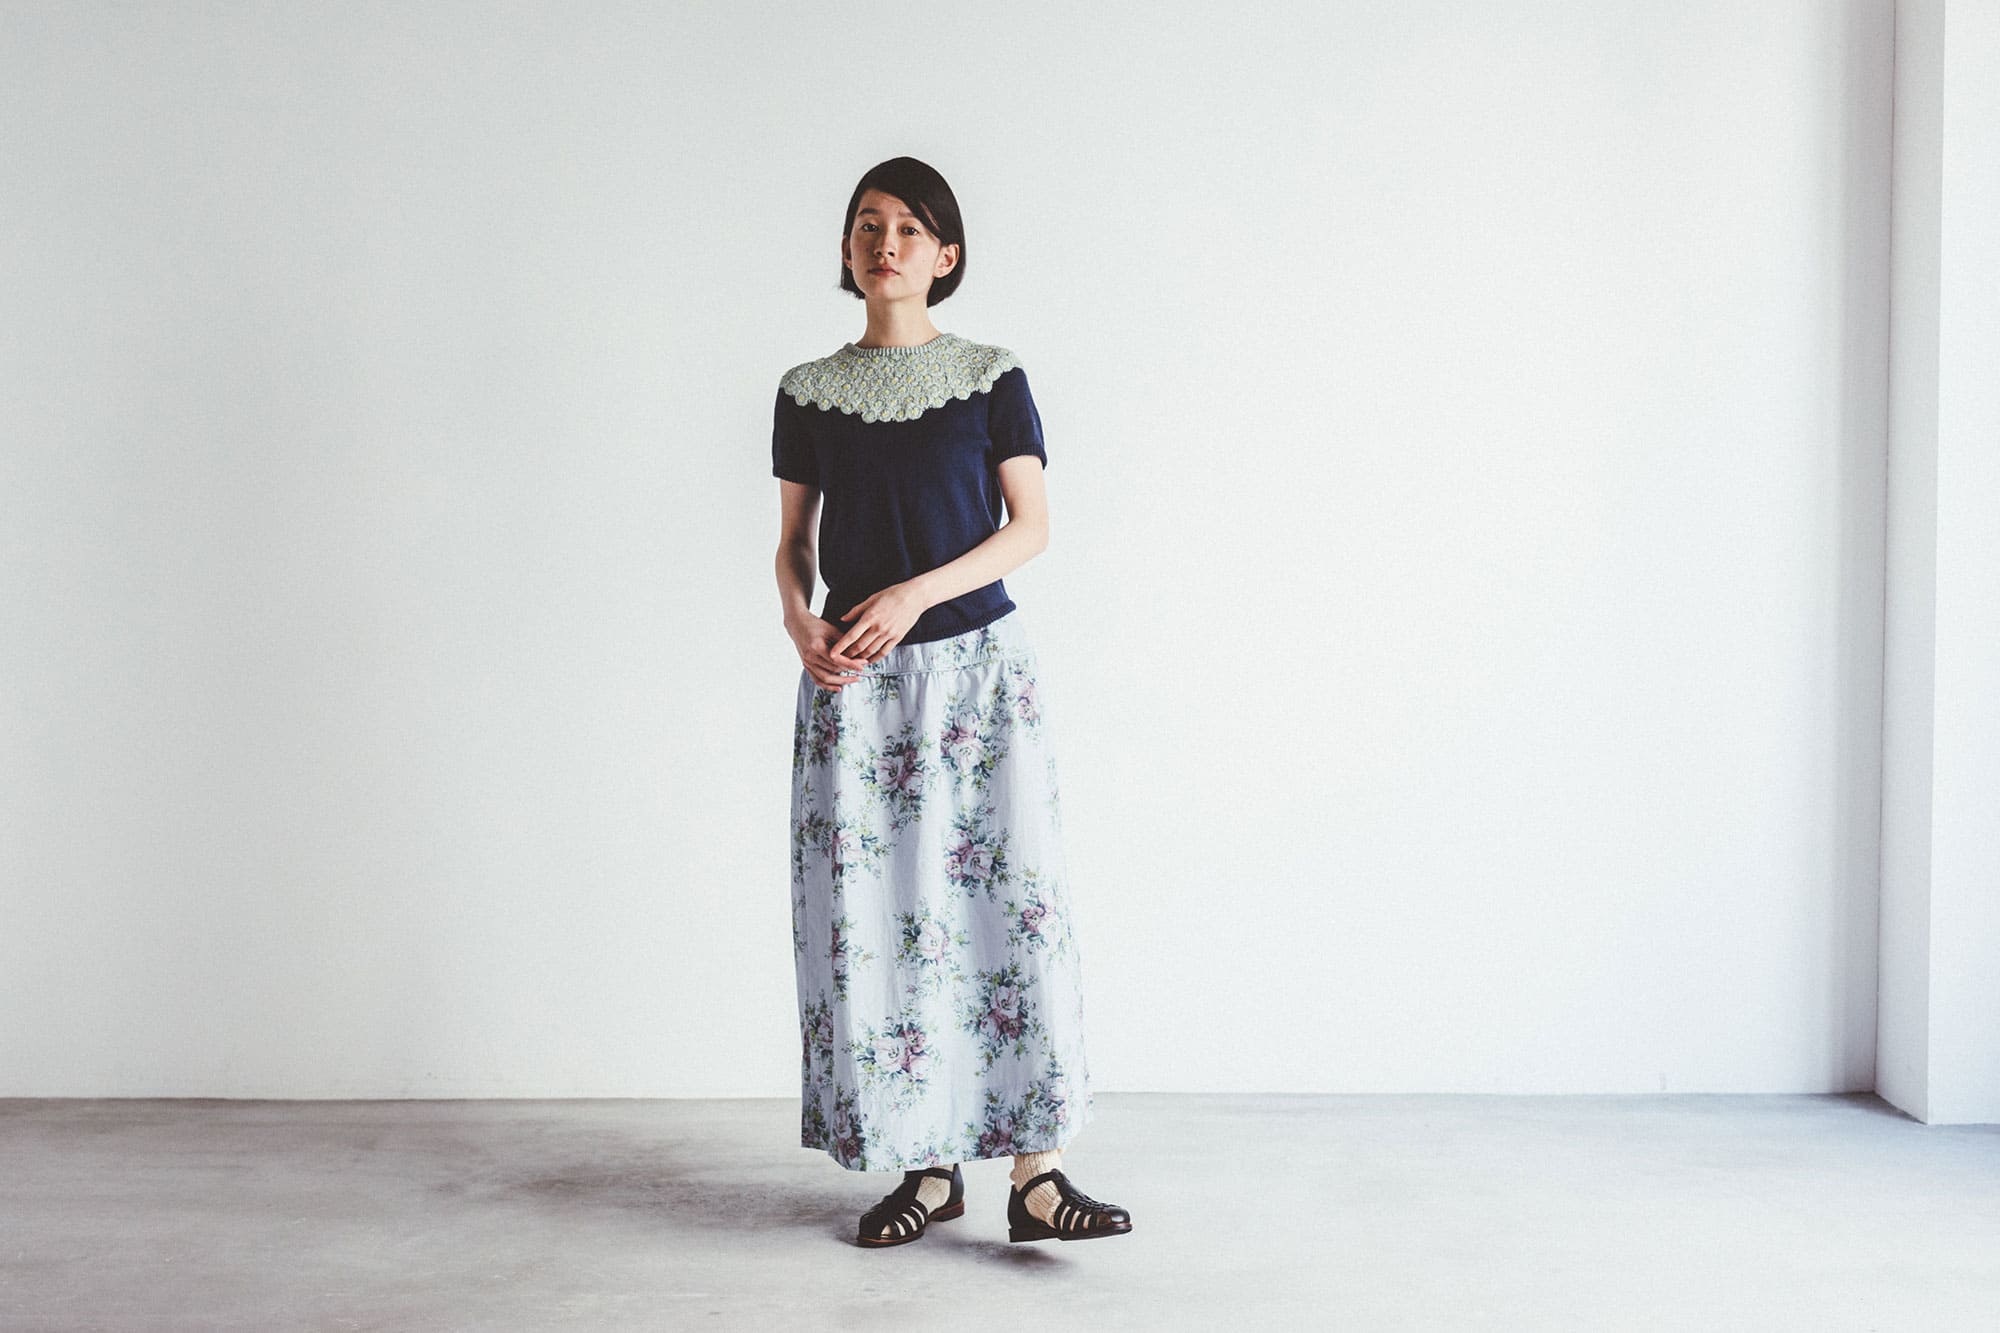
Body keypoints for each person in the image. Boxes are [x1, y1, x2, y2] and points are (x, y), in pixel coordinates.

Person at [772, 157, 1133, 1248]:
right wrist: (798, 618)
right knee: (882, 922)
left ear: (946, 255)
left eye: (908, 228)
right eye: (865, 225)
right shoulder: (805, 390)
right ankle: (925, 1168)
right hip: (854, 682)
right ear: (846, 250)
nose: (884, 243)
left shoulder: (989, 377)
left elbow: (1030, 527)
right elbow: (793, 544)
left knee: (1008, 902)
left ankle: (1037, 1173)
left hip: (977, 672)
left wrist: (913, 594)